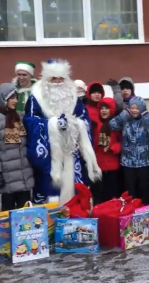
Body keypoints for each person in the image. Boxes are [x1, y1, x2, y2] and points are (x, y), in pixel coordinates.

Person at [23, 59, 101, 205]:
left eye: (61, 79)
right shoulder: (37, 97)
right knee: (50, 190)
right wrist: (53, 125)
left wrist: (75, 124)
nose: (58, 82)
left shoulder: (72, 95)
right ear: (47, 79)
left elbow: (84, 117)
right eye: (54, 79)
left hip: (72, 151)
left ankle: (77, 220)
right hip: (50, 155)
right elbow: (30, 120)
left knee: (75, 188)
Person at [0, 83, 34, 211]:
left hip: (24, 176)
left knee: (27, 216)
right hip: (7, 178)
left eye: (16, 97)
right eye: (12, 98)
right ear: (3, 98)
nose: (15, 101)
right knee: (8, 216)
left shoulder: (20, 117)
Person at [110, 96, 149, 205]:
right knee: (130, 190)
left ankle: (146, 211)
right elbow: (111, 125)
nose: (134, 110)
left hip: (143, 162)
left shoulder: (146, 120)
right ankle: (130, 213)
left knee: (144, 189)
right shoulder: (125, 120)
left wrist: (146, 116)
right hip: (127, 162)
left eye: (137, 108)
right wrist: (123, 115)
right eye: (132, 108)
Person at [91, 97, 122, 204]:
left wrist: (113, 148)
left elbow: (121, 142)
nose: (104, 111)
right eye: (102, 108)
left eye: (106, 108)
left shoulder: (115, 125)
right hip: (99, 165)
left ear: (111, 110)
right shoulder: (95, 125)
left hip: (113, 164)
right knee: (99, 193)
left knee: (112, 193)